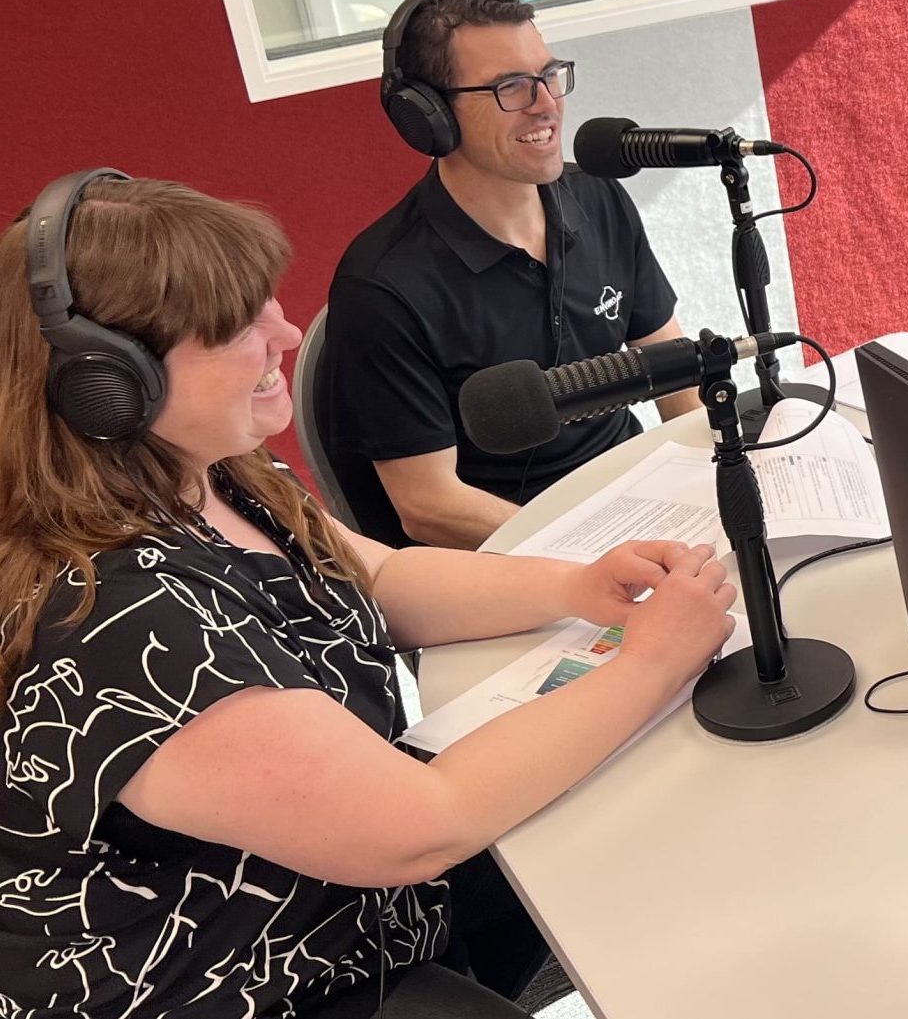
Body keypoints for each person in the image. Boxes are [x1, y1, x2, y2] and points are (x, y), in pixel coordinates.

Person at [0, 171, 737, 1017]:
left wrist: (576, 582)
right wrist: (648, 663)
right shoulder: (115, 623)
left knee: (628, 823)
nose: (284, 329)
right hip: (253, 981)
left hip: (348, 887)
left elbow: (377, 576)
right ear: (110, 384)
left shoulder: (207, 469)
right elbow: (422, 821)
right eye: (240, 326)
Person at [320, 0, 700, 550]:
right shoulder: (382, 287)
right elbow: (429, 507)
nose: (546, 103)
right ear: (427, 116)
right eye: (511, 87)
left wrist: (714, 474)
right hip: (514, 551)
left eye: (550, 75)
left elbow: (673, 376)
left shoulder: (599, 198)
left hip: (637, 505)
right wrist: (588, 548)